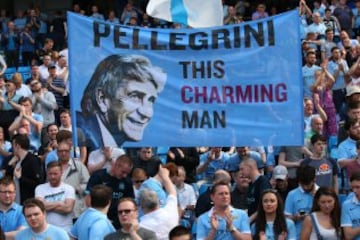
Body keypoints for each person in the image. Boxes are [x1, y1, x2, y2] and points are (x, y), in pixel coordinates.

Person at [76, 54, 166, 149]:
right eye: (135, 97)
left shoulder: (101, 139)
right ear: (102, 99)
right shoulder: (78, 134)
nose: (147, 113)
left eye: (151, 100)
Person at [86, 154, 134, 229]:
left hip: (119, 222)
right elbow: (88, 199)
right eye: (123, 172)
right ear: (116, 165)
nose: (125, 175)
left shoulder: (127, 181)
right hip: (99, 220)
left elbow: (130, 201)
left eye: (127, 173)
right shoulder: (99, 176)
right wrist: (100, 216)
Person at [139, 165, 179, 240]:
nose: (171, 184)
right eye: (172, 181)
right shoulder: (149, 186)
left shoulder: (140, 226)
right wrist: (166, 178)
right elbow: (172, 193)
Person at [35, 161, 75, 231]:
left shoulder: (69, 188)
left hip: (65, 229)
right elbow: (39, 207)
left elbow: (68, 209)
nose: (52, 177)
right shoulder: (40, 188)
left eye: (55, 174)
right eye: (50, 174)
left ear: (61, 173)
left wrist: (46, 205)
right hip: (46, 229)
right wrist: (59, 203)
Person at [285, 165, 318, 239]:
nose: (306, 187)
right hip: (297, 235)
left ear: (314, 179)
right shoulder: (292, 194)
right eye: (303, 184)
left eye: (308, 184)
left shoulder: (321, 194)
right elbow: (286, 218)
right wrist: (295, 217)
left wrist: (317, 198)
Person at [10, 134, 43, 204]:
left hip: (29, 203)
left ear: (17, 146)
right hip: (18, 202)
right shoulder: (17, 161)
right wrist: (11, 165)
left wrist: (20, 178)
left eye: (13, 145)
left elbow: (37, 183)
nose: (12, 148)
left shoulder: (32, 160)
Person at [239, 158, 271, 222]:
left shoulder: (263, 182)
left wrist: (249, 220)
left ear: (249, 167)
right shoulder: (251, 184)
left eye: (242, 169)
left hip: (261, 222)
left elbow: (264, 205)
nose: (241, 173)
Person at [341, 171, 360, 240]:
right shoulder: (346, 205)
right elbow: (348, 236)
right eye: (352, 187)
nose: (354, 191)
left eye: (358, 187)